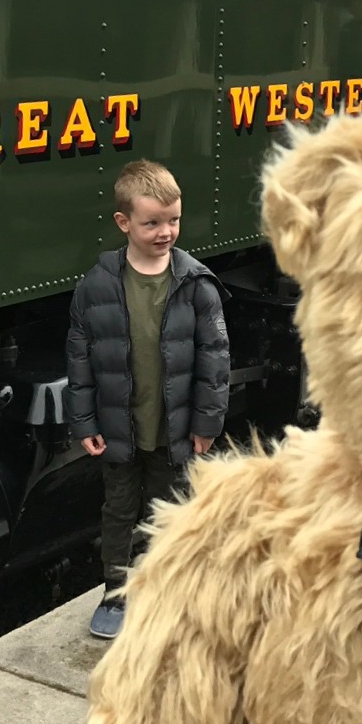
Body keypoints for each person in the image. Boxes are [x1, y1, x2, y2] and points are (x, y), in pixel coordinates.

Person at [65, 160, 230, 639]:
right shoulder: (96, 286)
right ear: (124, 223)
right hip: (120, 427)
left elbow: (215, 361)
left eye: (173, 220)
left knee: (169, 509)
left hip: (173, 429)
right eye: (152, 222)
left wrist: (207, 424)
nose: (166, 232)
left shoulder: (197, 285)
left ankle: (166, 593)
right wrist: (84, 422)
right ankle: (116, 594)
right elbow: (80, 360)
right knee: (117, 509)